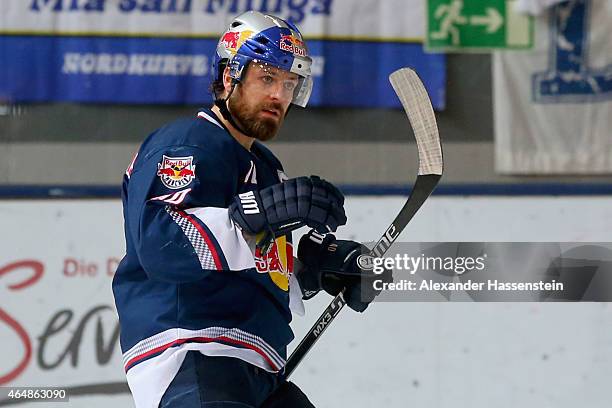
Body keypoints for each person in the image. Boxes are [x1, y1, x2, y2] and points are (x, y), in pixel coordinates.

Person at [112, 11, 385, 408]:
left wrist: (315, 269)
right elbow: (161, 243)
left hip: (258, 370)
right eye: (267, 78)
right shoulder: (189, 142)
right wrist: (258, 214)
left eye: (289, 83)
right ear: (229, 77)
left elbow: (255, 265)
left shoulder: (268, 167)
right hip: (193, 354)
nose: (280, 95)